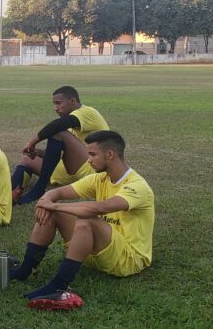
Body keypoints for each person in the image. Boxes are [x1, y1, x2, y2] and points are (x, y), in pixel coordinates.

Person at [10, 131, 154, 310]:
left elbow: (98, 208)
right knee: (56, 213)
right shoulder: (100, 178)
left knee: (87, 219)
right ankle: (25, 269)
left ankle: (59, 285)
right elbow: (59, 192)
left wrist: (54, 206)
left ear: (110, 155)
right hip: (99, 248)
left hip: (127, 259)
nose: (88, 160)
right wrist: (46, 200)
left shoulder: (137, 186)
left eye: (93, 154)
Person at [12, 86, 109, 205]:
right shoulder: (71, 124)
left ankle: (39, 190)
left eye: (58, 103)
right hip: (71, 171)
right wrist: (38, 153)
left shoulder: (88, 112)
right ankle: (11, 193)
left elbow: (55, 126)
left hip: (91, 168)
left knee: (58, 132)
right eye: (54, 104)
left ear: (73, 101)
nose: (55, 108)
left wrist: (31, 143)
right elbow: (57, 154)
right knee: (28, 160)